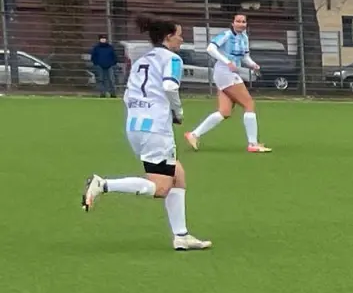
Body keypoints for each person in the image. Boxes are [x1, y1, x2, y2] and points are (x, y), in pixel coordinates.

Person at [80, 15, 211, 251]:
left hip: (135, 126)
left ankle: (181, 235)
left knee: (177, 174)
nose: (182, 40)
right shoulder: (172, 59)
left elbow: (128, 94)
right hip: (156, 129)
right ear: (168, 37)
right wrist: (178, 111)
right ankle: (103, 184)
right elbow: (170, 86)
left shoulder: (142, 60)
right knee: (161, 187)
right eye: (179, 35)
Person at [185, 13, 270, 153]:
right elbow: (210, 49)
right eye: (238, 21)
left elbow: (245, 57)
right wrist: (227, 62)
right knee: (248, 104)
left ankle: (193, 134)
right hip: (225, 73)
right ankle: (253, 144)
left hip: (228, 74)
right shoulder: (226, 35)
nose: (241, 24)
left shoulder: (244, 37)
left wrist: (253, 65)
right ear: (232, 23)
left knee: (224, 111)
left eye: (243, 22)